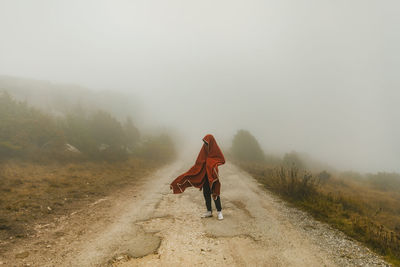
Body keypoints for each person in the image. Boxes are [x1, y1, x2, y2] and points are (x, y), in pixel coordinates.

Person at [170, 134, 226, 220]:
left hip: (212, 175)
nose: (206, 145)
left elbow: (222, 160)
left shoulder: (215, 149)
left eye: (207, 143)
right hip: (203, 175)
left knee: (215, 192)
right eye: (205, 143)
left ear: (211, 142)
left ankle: (219, 212)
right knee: (206, 193)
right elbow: (198, 162)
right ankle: (209, 211)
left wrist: (211, 163)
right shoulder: (203, 149)